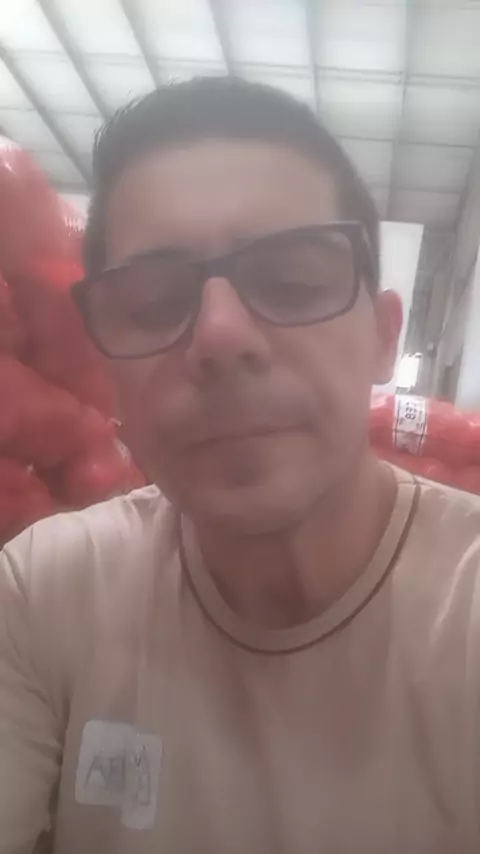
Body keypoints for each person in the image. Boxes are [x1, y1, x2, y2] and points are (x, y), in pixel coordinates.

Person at [0, 76, 479, 854]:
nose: (220, 337)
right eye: (154, 303)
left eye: (291, 282)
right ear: (106, 364)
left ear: (384, 338)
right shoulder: (45, 592)